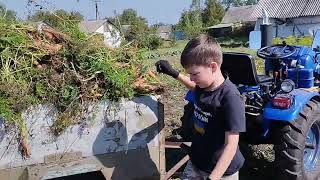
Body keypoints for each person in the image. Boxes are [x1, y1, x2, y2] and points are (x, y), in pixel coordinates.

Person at [155, 34, 246, 180]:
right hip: (198, 162)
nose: (192, 78)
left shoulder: (230, 97)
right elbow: (193, 87)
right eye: (189, 74)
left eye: (195, 74)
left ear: (213, 67)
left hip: (221, 172)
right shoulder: (203, 86)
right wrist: (174, 73)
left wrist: (213, 178)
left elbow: (231, 146)